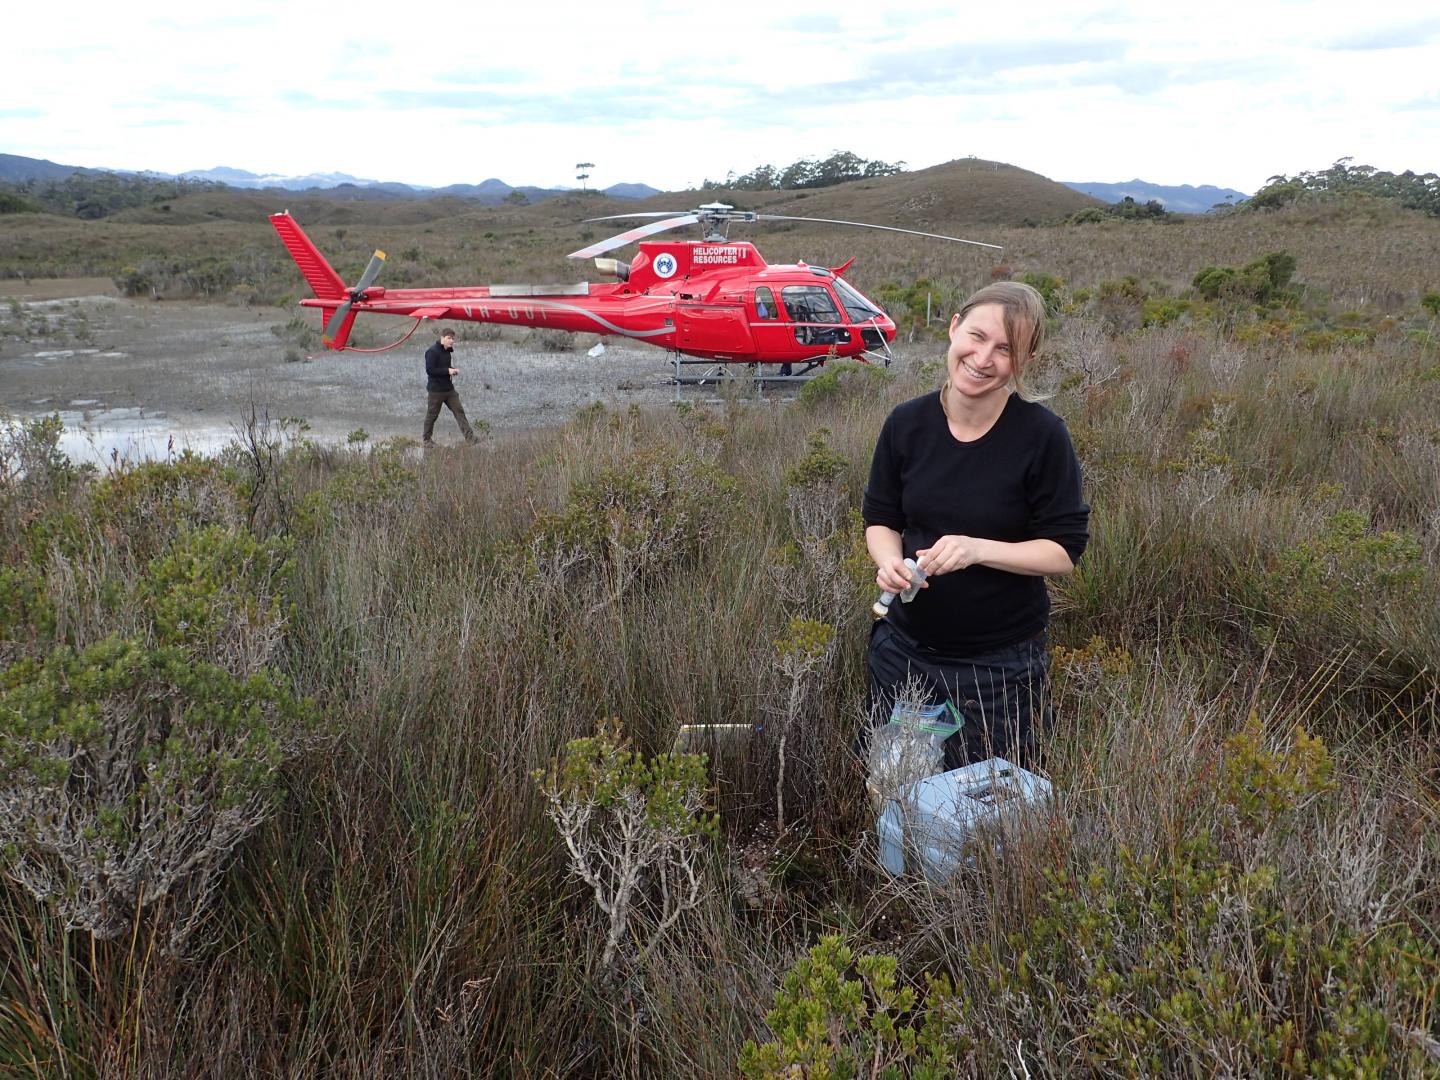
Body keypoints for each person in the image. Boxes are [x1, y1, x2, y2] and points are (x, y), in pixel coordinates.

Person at [861, 282, 1089, 769]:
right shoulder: (906, 424)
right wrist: (890, 562)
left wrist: (978, 549)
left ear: (1025, 359)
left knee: (985, 801)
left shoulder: (1043, 436)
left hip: (999, 669)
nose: (983, 359)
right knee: (896, 787)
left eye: (1005, 349)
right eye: (977, 336)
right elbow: (881, 519)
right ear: (954, 328)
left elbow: (1063, 550)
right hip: (903, 655)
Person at [422, 328, 478, 447]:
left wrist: (452, 370)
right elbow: (430, 370)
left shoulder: (447, 351)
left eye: (453, 338)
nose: (451, 341)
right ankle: (426, 440)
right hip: (436, 391)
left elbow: (443, 367)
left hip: (449, 390)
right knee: (432, 415)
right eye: (449, 338)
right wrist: (448, 370)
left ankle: (470, 438)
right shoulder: (432, 352)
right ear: (442, 338)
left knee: (459, 412)